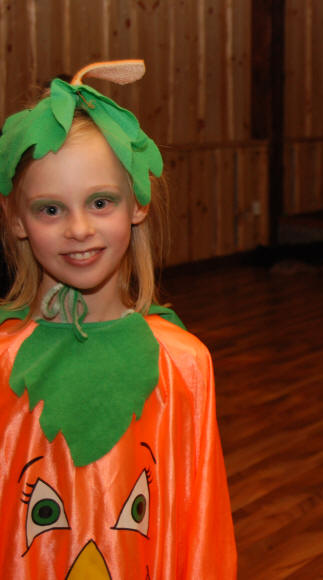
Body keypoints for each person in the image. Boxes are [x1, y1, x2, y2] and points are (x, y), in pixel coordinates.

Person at [0, 61, 236, 577]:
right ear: (17, 219)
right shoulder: (4, 364)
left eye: (100, 202)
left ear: (138, 205)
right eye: (50, 210)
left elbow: (202, 530)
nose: (79, 229)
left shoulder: (182, 365)